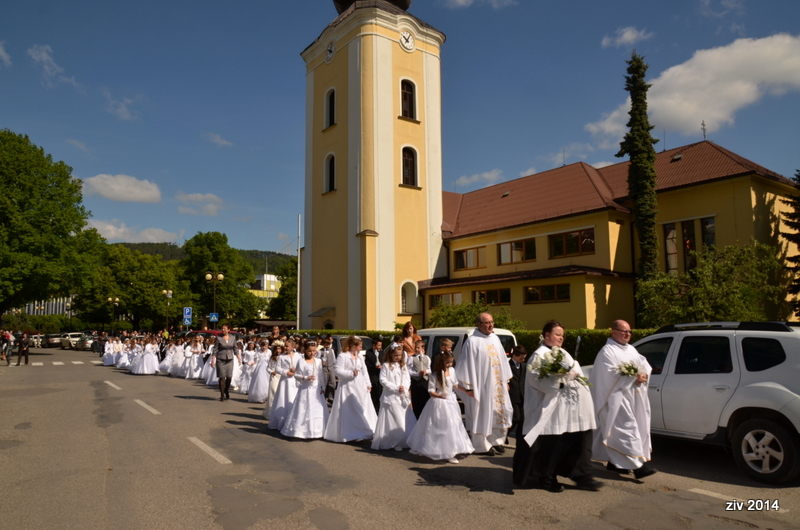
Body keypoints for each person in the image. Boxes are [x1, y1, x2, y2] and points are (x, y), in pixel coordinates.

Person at [513, 320, 601, 493]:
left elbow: (575, 372)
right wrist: (563, 380)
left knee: (575, 443)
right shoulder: (539, 356)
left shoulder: (563, 353)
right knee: (552, 446)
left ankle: (581, 476)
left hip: (570, 410)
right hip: (550, 410)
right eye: (557, 335)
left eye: (562, 335)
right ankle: (547, 477)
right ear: (547, 336)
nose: (561, 338)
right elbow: (537, 381)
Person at [590, 320, 656, 479]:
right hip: (616, 399)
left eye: (629, 331)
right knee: (627, 429)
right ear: (614, 332)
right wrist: (633, 377)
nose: (627, 334)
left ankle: (615, 463)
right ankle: (639, 467)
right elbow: (609, 374)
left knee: (634, 428)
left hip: (633, 396)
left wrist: (643, 374)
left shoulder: (631, 349)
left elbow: (644, 365)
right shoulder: (607, 351)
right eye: (623, 331)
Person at [454, 313, 513, 455]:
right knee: (483, 414)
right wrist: (469, 388)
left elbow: (502, 361)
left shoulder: (495, 338)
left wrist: (505, 381)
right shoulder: (472, 342)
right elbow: (466, 365)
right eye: (487, 323)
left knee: (498, 412)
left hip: (497, 385)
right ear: (479, 324)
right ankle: (482, 445)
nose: (491, 325)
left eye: (492, 322)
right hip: (482, 386)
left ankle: (497, 440)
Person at [407, 351, 474, 464]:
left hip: (451, 402)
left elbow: (455, 385)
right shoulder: (435, 375)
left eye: (451, 362)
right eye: (447, 363)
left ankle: (451, 451)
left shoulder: (452, 371)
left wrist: (467, 391)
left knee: (453, 425)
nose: (449, 365)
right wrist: (440, 396)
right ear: (442, 362)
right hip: (440, 403)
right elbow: (431, 391)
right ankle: (442, 450)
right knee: (441, 427)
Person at [324, 335, 377, 443]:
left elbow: (364, 371)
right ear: (353, 345)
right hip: (348, 388)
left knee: (362, 408)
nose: (361, 348)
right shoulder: (343, 356)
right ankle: (353, 433)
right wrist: (350, 373)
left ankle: (365, 430)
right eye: (360, 346)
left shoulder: (360, 356)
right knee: (352, 410)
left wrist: (368, 383)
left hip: (360, 386)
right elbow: (337, 371)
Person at [371, 343, 416, 451]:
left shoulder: (403, 366)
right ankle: (394, 441)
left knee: (404, 418)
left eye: (400, 355)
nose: (398, 357)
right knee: (395, 419)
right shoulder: (386, 366)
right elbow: (383, 380)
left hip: (402, 396)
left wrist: (404, 387)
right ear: (391, 354)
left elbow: (407, 379)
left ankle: (406, 440)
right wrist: (395, 388)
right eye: (396, 355)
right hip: (391, 396)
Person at [281, 340, 329, 439]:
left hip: (316, 389)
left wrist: (323, 387)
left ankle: (318, 431)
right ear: (305, 351)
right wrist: (305, 377)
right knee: (304, 408)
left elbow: (320, 375)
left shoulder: (318, 361)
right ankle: (302, 430)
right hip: (305, 388)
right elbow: (296, 375)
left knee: (317, 409)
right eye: (309, 351)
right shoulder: (301, 361)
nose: (312, 353)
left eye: (313, 351)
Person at [267, 339, 301, 430]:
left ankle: (293, 421)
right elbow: (277, 368)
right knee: (284, 398)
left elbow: (302, 367)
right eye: (284, 346)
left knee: (293, 399)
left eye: (287, 346)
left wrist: (296, 370)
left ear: (293, 347)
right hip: (285, 381)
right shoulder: (281, 356)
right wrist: (286, 372)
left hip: (295, 381)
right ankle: (282, 421)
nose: (285, 348)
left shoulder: (298, 356)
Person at [211, 325, 241, 401]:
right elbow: (215, 349)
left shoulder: (233, 338)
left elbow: (235, 348)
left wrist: (239, 358)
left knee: (229, 377)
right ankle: (222, 395)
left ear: (228, 330)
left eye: (224, 328)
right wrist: (213, 360)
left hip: (230, 359)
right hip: (220, 359)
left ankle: (226, 390)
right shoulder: (218, 338)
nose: (223, 330)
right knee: (222, 377)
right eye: (222, 328)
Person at [407, 339, 431, 420]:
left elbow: (430, 369)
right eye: (415, 348)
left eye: (418, 347)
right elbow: (409, 370)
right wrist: (417, 374)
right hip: (416, 382)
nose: (416, 349)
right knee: (417, 401)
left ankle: (425, 418)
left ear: (423, 348)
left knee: (425, 400)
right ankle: (417, 418)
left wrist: (426, 371)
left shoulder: (427, 358)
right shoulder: (411, 358)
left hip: (425, 381)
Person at [508, 345, 527, 440]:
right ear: (515, 356)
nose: (523, 360)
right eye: (521, 358)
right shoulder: (507, 366)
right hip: (512, 395)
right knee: (516, 418)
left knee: (523, 420)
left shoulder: (524, 366)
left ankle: (519, 441)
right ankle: (504, 434)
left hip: (522, 396)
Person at [364, 339, 383, 412]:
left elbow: (384, 361)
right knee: (374, 391)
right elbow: (367, 364)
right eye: (378, 345)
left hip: (380, 374)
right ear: (374, 345)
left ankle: (379, 408)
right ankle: (373, 408)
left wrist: (382, 366)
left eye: (381, 345)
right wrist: (374, 367)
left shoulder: (382, 352)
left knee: (380, 391)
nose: (380, 347)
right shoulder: (369, 352)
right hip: (373, 374)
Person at [317, 336, 337, 401]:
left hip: (331, 368)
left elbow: (334, 360)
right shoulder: (320, 351)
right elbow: (317, 360)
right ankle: (324, 397)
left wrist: (335, 368)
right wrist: (321, 362)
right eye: (326, 344)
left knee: (332, 383)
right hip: (324, 369)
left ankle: (331, 397)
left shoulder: (331, 350)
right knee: (324, 383)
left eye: (329, 344)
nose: (328, 346)